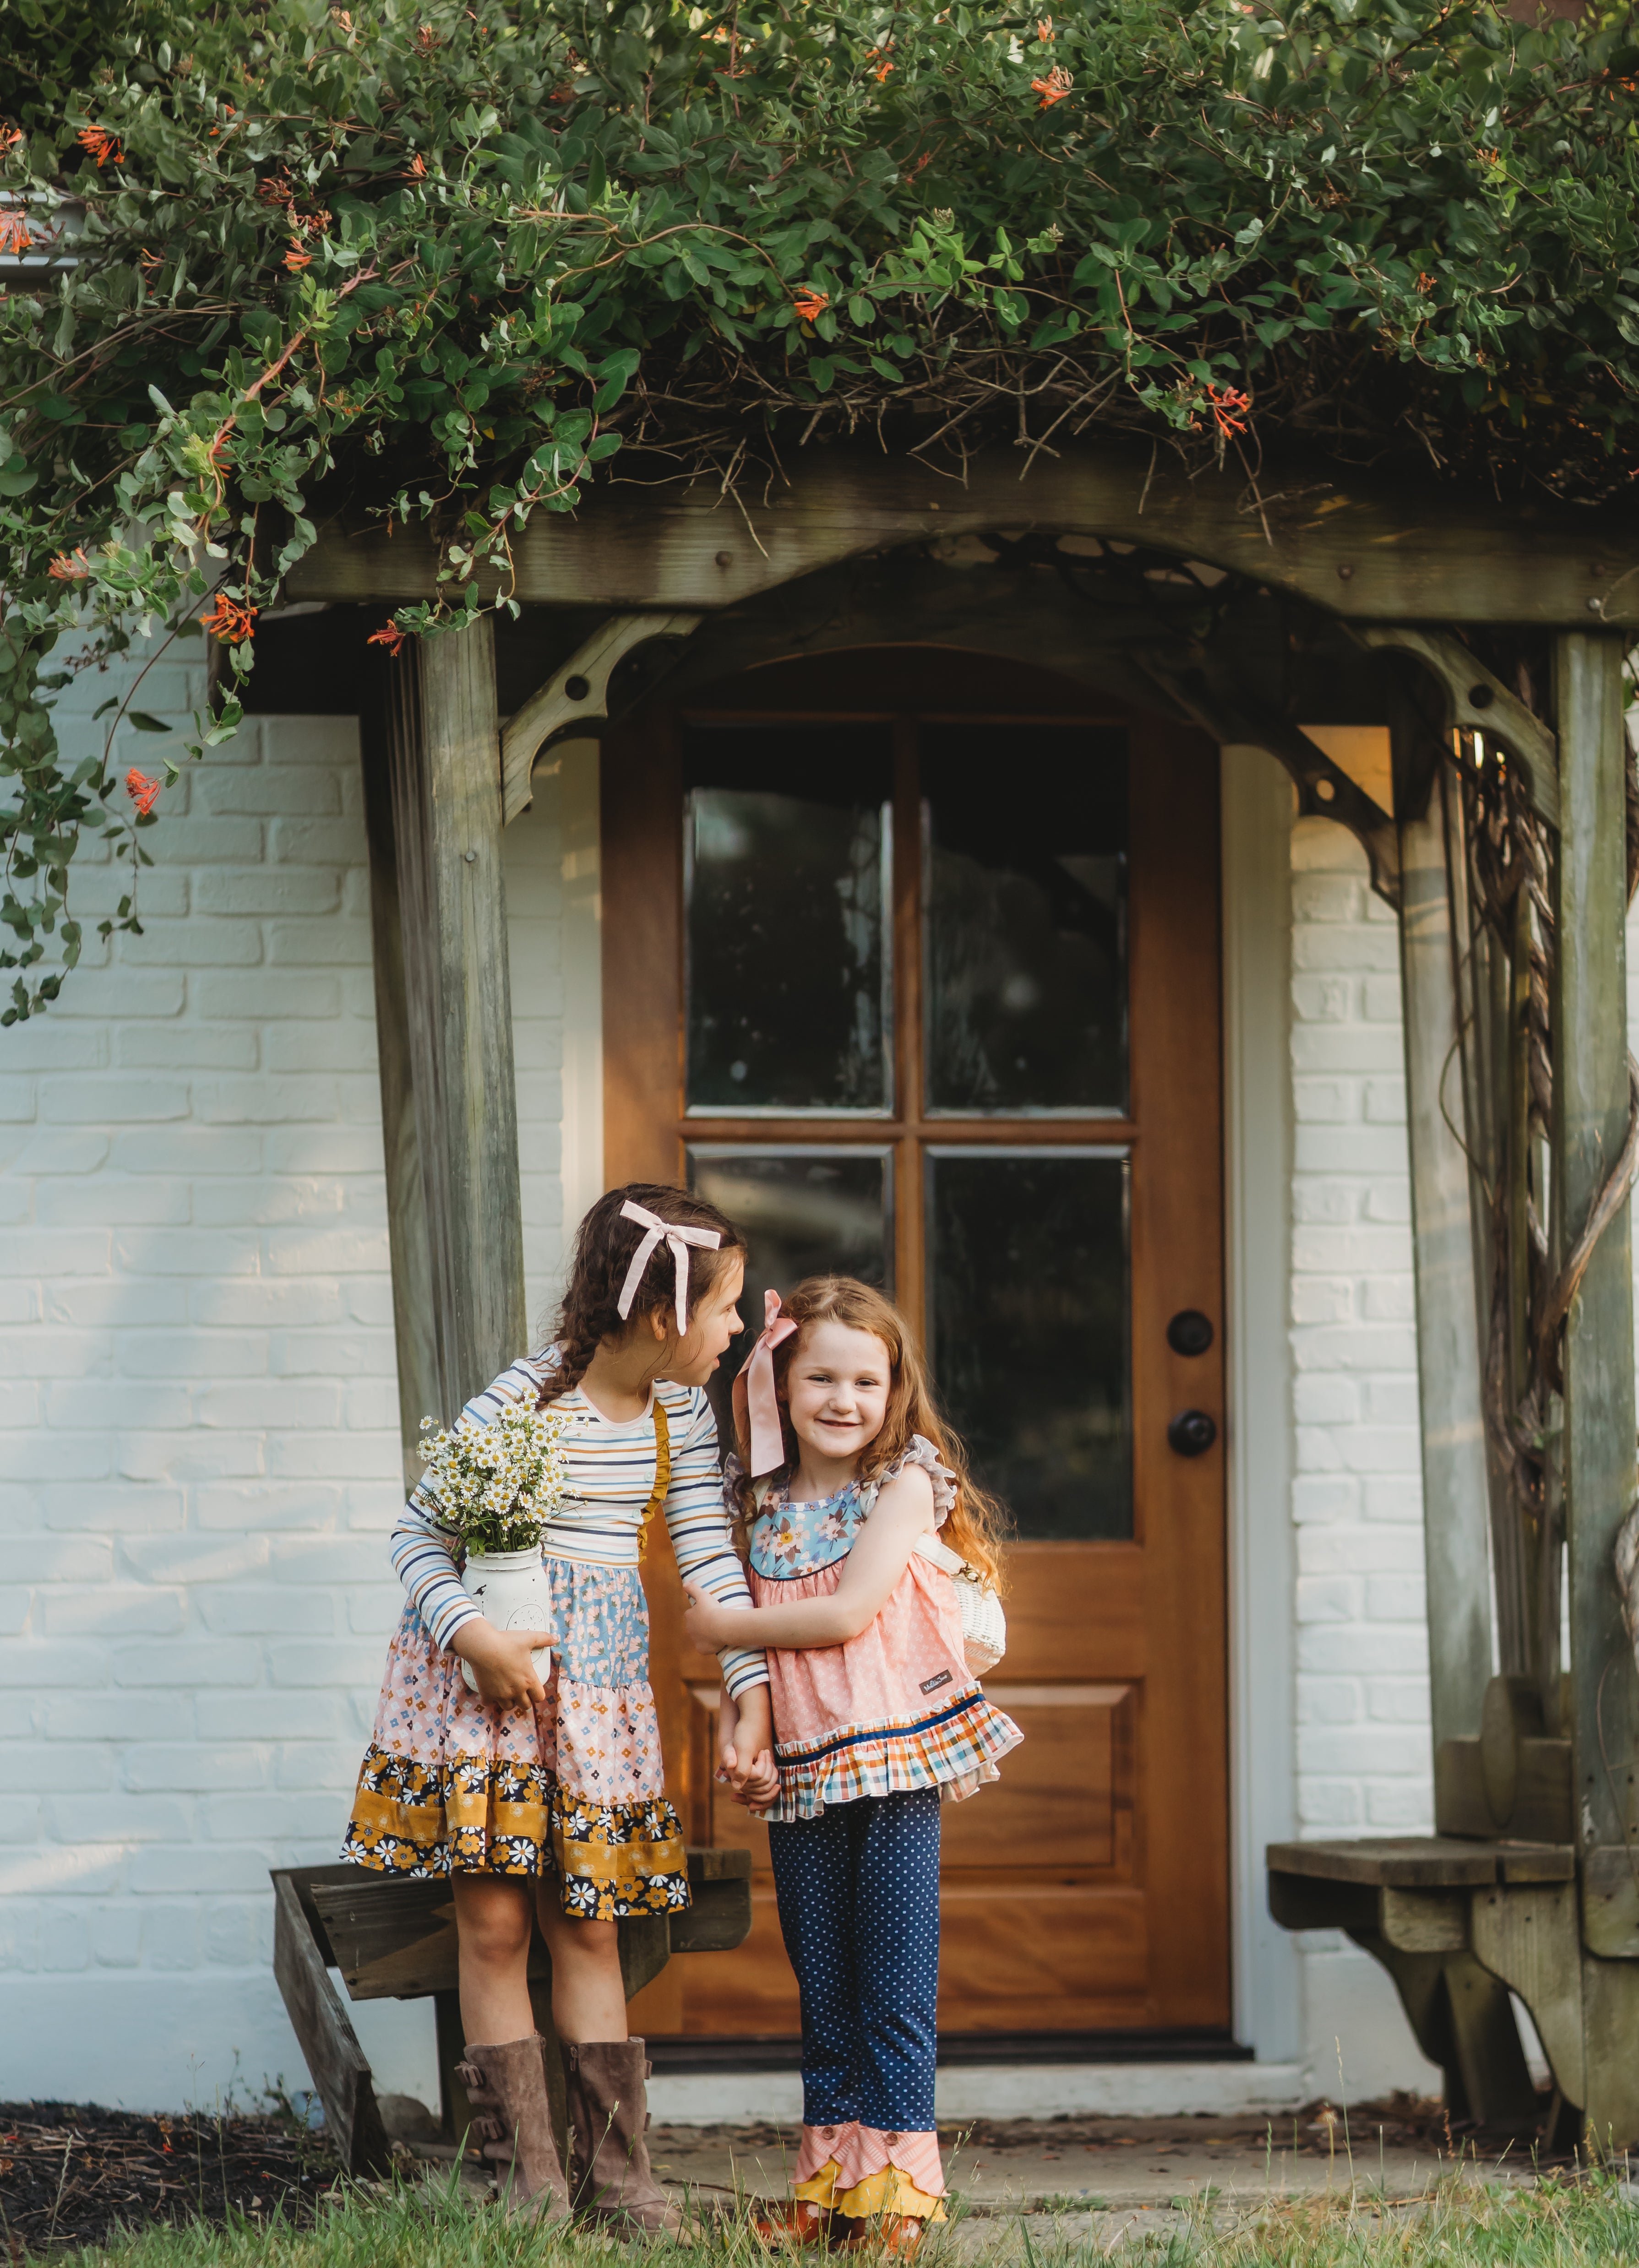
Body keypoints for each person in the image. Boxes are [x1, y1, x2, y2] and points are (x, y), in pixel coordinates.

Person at [342, 1185, 773, 2234]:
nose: (737, 1330)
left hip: (601, 1706)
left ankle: (620, 2180)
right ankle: (522, 2183)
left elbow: (710, 1560)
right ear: (664, 1313)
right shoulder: (525, 1400)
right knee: (492, 1923)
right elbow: (416, 1537)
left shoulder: (676, 1416)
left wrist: (747, 1692)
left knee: (589, 1921)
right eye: (725, 1308)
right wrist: (475, 1638)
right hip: (494, 1697)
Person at [682, 1277, 1022, 2256]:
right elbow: (765, 1667)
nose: (842, 1398)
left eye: (864, 1380)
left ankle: (902, 2198)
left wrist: (717, 1625)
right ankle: (828, 2184)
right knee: (822, 1984)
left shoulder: (903, 1483)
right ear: (780, 1385)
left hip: (892, 1764)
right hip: (802, 1770)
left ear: (894, 1390)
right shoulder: (758, 1499)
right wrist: (741, 1733)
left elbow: (842, 1615)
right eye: (819, 1375)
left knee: (893, 1987)